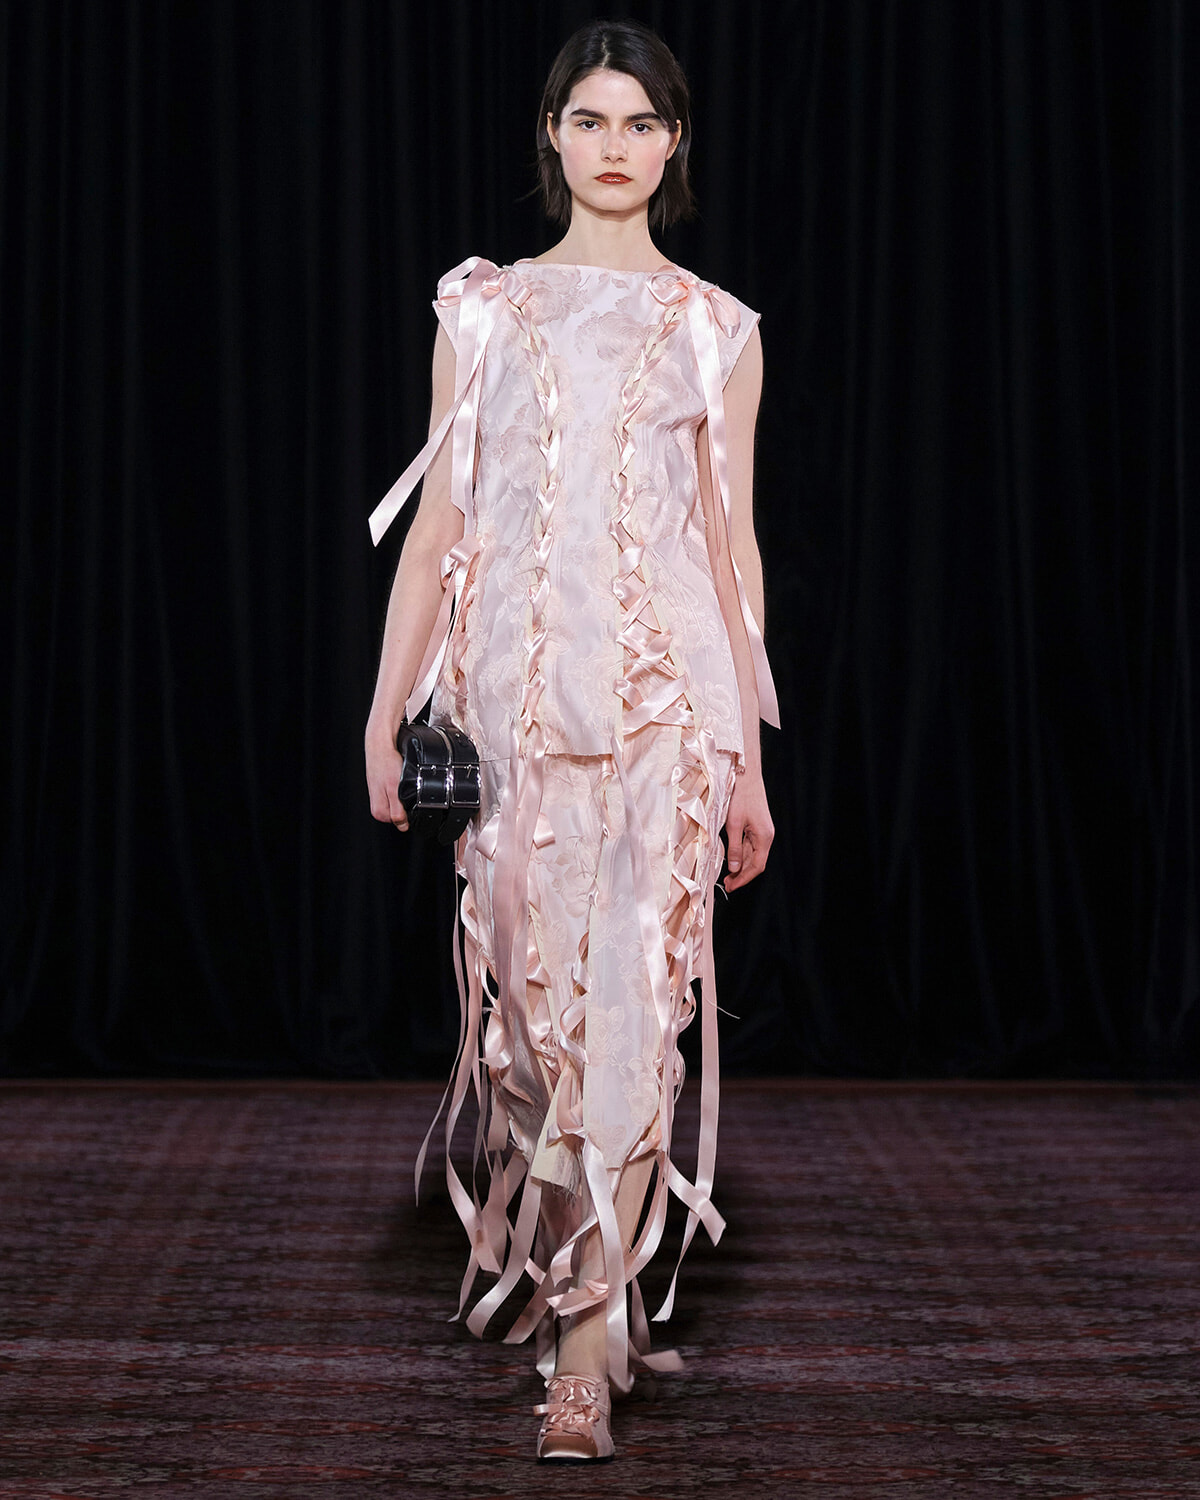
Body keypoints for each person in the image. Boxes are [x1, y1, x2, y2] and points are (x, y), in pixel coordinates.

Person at [364, 18, 778, 1464]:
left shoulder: (719, 329)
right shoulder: (482, 311)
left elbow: (730, 555)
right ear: (553, 133)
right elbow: (439, 527)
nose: (616, 146)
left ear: (675, 145)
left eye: (642, 123)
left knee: (628, 1022)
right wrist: (385, 708)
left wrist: (751, 760)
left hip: (667, 711)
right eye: (591, 119)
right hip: (515, 708)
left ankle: (583, 1353)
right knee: (530, 1029)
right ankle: (578, 1287)